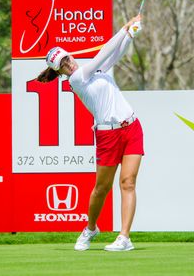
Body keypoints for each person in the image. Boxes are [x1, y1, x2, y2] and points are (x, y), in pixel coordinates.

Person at [37, 14, 144, 252]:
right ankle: (91, 228)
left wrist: (130, 34)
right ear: (60, 72)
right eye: (63, 65)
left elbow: (114, 55)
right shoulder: (76, 79)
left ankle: (124, 238)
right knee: (101, 188)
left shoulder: (91, 72)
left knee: (128, 182)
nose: (69, 63)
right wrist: (123, 28)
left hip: (132, 127)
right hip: (108, 136)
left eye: (68, 58)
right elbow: (103, 55)